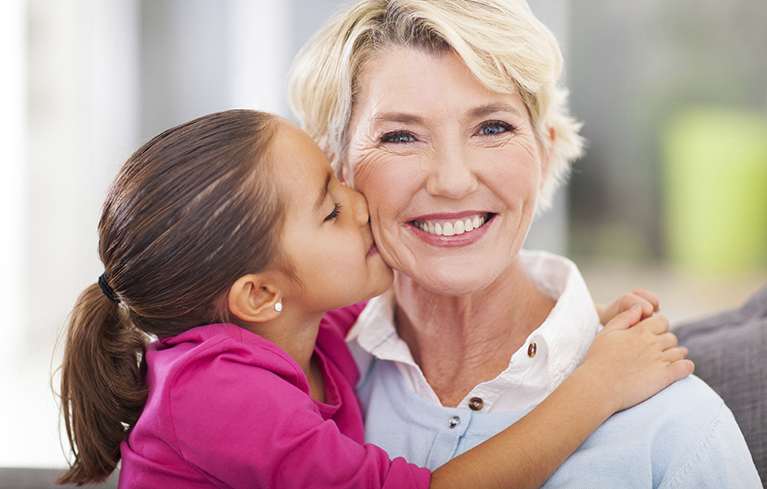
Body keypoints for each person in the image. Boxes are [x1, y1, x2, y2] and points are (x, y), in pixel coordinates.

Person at [288, 0, 762, 486]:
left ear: (546, 152)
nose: (452, 180)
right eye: (400, 136)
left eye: (492, 127)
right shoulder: (293, 398)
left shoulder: (675, 428)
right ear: (338, 172)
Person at [57, 109, 692, 488]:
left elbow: (451, 297)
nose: (360, 204)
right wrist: (598, 386)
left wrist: (571, 327)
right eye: (332, 211)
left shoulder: (305, 324)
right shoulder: (214, 393)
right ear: (258, 293)